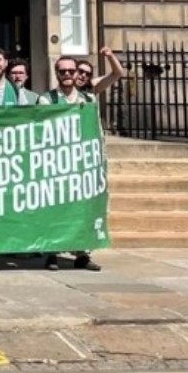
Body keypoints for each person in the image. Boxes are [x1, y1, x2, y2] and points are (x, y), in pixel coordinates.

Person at [39, 53, 109, 272]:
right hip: (56, 163)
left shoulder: (88, 100)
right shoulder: (46, 99)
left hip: (81, 164)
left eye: (71, 71)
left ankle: (82, 253)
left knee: (82, 209)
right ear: (57, 73)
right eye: (63, 71)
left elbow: (95, 131)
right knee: (54, 209)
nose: (68, 75)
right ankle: (52, 253)